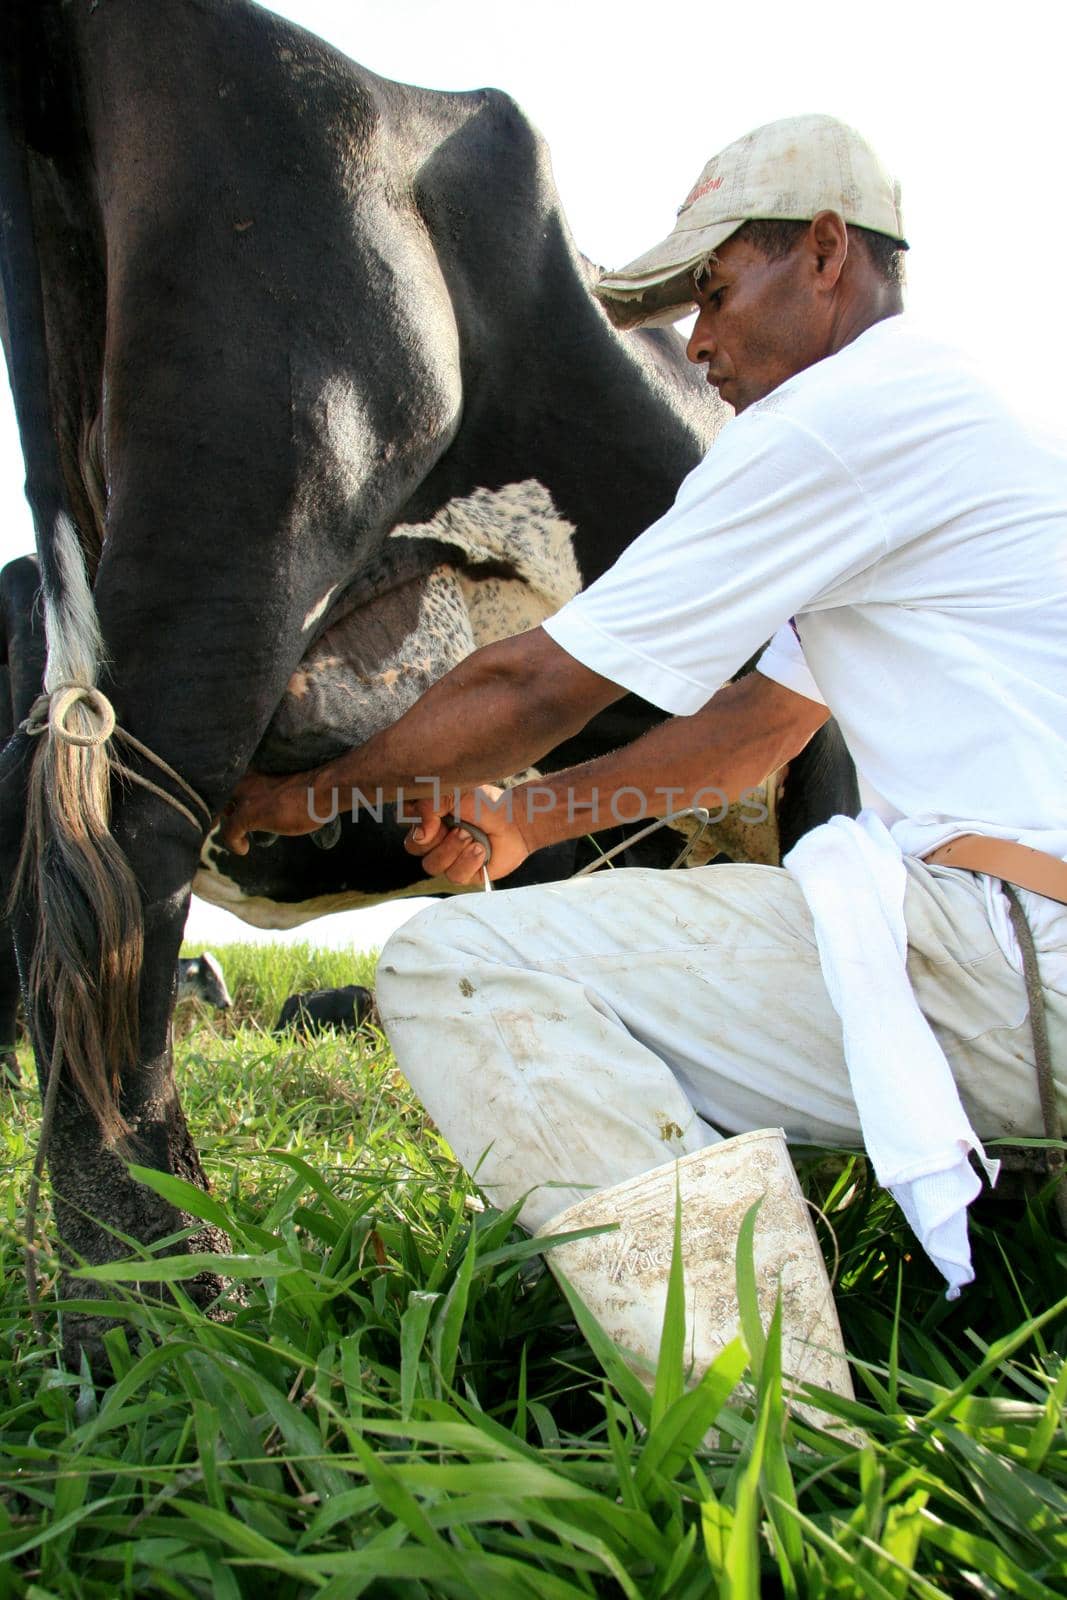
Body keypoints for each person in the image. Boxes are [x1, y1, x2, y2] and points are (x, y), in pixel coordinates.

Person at [222, 114, 1067, 1348]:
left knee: (454, 966)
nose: (699, 342)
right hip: (1031, 956)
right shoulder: (931, 417)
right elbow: (748, 736)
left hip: (1018, 961)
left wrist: (306, 797)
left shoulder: (833, 422)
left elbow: (529, 690)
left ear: (826, 252)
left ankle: (761, 1427)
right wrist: (519, 816)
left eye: (716, 292)